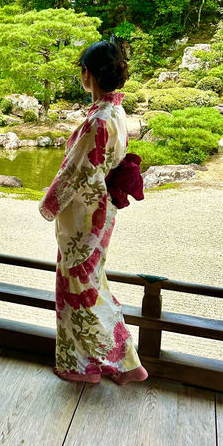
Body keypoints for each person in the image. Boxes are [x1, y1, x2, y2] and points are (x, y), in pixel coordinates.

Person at [39, 38, 148, 385]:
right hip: (104, 210)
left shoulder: (97, 120)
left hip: (85, 216)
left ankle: (123, 362)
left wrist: (48, 205)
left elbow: (74, 172)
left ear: (88, 74)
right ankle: (83, 364)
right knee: (86, 283)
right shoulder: (116, 111)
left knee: (80, 289)